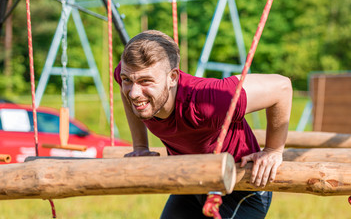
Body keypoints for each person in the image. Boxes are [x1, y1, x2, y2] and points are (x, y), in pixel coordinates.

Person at [114, 30, 292, 219]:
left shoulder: (208, 100)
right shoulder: (131, 74)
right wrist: (140, 146)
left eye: (145, 81)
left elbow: (282, 87)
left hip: (241, 185)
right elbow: (126, 88)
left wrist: (273, 150)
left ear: (172, 78)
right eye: (128, 80)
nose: (134, 92)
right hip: (193, 178)